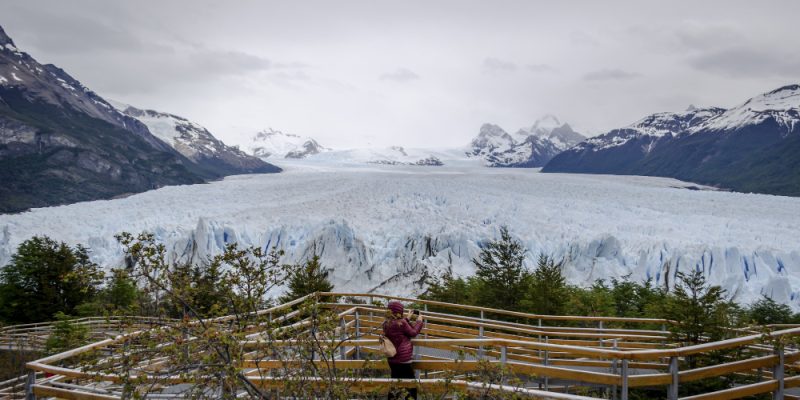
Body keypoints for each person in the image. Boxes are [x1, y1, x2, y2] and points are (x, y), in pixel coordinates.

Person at [383, 300, 424, 400]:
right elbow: (413, 333)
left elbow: (398, 327)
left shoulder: (385, 323)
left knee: (395, 384)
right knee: (411, 386)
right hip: (403, 360)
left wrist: (407, 318)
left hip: (392, 360)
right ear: (399, 312)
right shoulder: (402, 323)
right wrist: (419, 321)